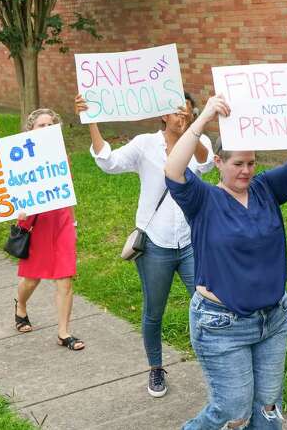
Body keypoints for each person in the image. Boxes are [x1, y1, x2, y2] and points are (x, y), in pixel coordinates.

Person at [164, 95, 287, 429]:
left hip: (273, 319)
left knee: (268, 409)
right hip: (221, 324)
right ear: (219, 162)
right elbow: (173, 168)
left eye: (251, 163)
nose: (246, 170)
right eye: (238, 163)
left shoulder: (265, 188)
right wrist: (205, 116)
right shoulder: (202, 199)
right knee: (233, 411)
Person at [76, 91, 213, 397]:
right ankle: (155, 368)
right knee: (154, 310)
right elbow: (109, 162)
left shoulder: (196, 144)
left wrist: (198, 129)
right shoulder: (144, 144)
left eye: (188, 112)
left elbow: (207, 166)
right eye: (178, 111)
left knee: (206, 305)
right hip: (155, 245)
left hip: (191, 242)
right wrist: (92, 122)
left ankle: (214, 364)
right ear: (163, 115)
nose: (183, 116)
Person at [11, 108, 84, 351]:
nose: (46, 129)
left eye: (50, 125)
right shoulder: (19, 157)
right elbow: (10, 190)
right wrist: (17, 209)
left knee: (64, 278)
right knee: (32, 279)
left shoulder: (61, 155)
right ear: (30, 130)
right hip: (34, 222)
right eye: (40, 125)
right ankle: (20, 305)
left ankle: (64, 332)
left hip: (61, 221)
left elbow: (67, 190)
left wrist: (72, 222)